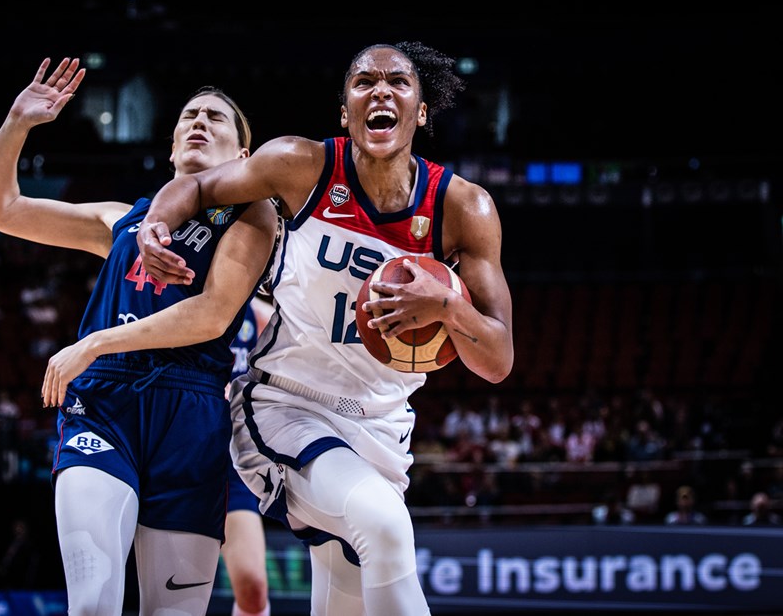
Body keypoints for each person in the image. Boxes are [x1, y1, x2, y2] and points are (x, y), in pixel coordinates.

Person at [137, 42, 514, 615]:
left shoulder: (464, 208)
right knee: (386, 530)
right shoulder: (300, 165)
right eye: (364, 83)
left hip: (383, 427)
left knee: (347, 591)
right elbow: (198, 187)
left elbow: (497, 359)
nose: (380, 92)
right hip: (288, 406)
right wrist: (154, 226)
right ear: (345, 111)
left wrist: (447, 305)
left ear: (421, 111)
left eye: (397, 83)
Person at [0, 57, 277, 616]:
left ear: (242, 157)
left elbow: (211, 316)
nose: (198, 122)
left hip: (193, 415)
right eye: (188, 116)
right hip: (105, 405)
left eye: (215, 118)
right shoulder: (122, 220)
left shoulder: (252, 217)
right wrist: (17, 121)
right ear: (169, 149)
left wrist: (93, 343)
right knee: (92, 605)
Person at [224, 294, 275, 616]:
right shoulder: (177, 288)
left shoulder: (258, 312)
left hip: (231, 458)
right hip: (176, 448)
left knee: (252, 589)